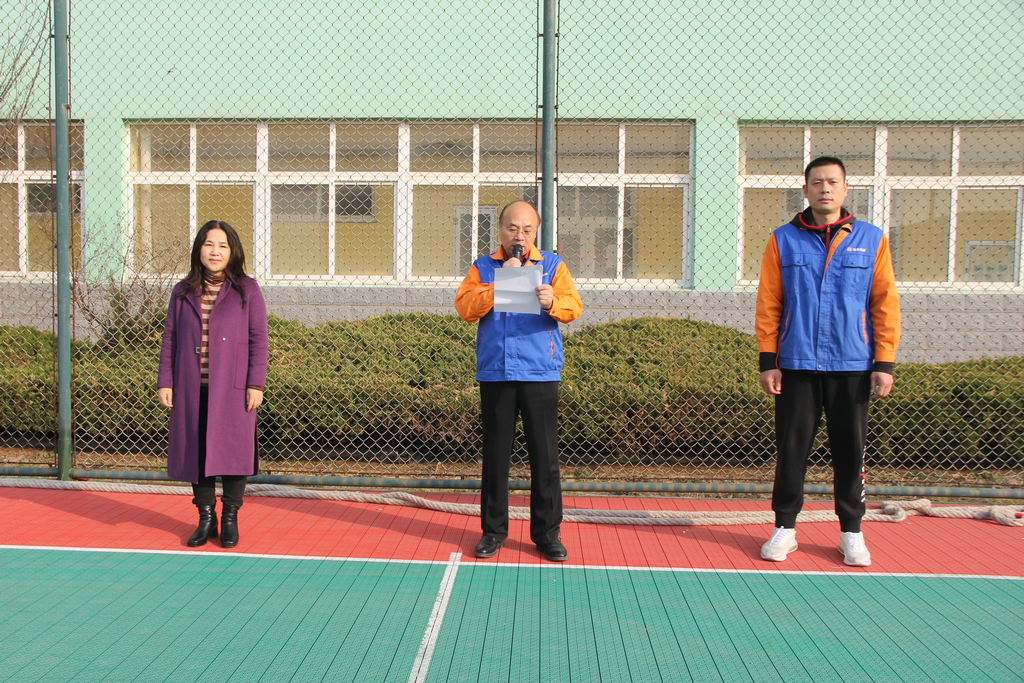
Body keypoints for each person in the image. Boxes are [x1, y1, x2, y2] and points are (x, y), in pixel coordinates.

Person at [755, 156, 901, 567]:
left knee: (850, 450)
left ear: (845, 188)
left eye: (833, 182)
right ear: (805, 190)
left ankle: (851, 532)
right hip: (797, 363)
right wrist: (768, 359)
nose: (825, 189)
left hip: (852, 363)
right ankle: (785, 528)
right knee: (792, 448)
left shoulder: (871, 239)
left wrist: (884, 362)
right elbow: (769, 302)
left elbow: (884, 304)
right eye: (817, 182)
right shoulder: (783, 239)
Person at [455, 200, 582, 561]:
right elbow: (465, 308)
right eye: (512, 228)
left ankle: (547, 534)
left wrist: (551, 301)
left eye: (527, 230)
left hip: (540, 370)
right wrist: (498, 284)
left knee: (545, 456)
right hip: (496, 371)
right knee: (496, 456)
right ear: (500, 230)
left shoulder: (552, 266)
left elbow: (574, 307)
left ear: (536, 232)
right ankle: (493, 531)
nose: (519, 236)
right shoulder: (483, 267)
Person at [158, 220, 268, 548]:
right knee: (196, 451)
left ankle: (230, 517)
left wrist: (255, 383)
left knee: (234, 451)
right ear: (199, 250)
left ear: (233, 251)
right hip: (191, 387)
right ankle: (206, 518)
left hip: (233, 389)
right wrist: (166, 381)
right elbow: (170, 338)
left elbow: (258, 339)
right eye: (208, 244)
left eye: (222, 245)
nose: (215, 251)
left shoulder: (247, 289)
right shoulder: (183, 291)